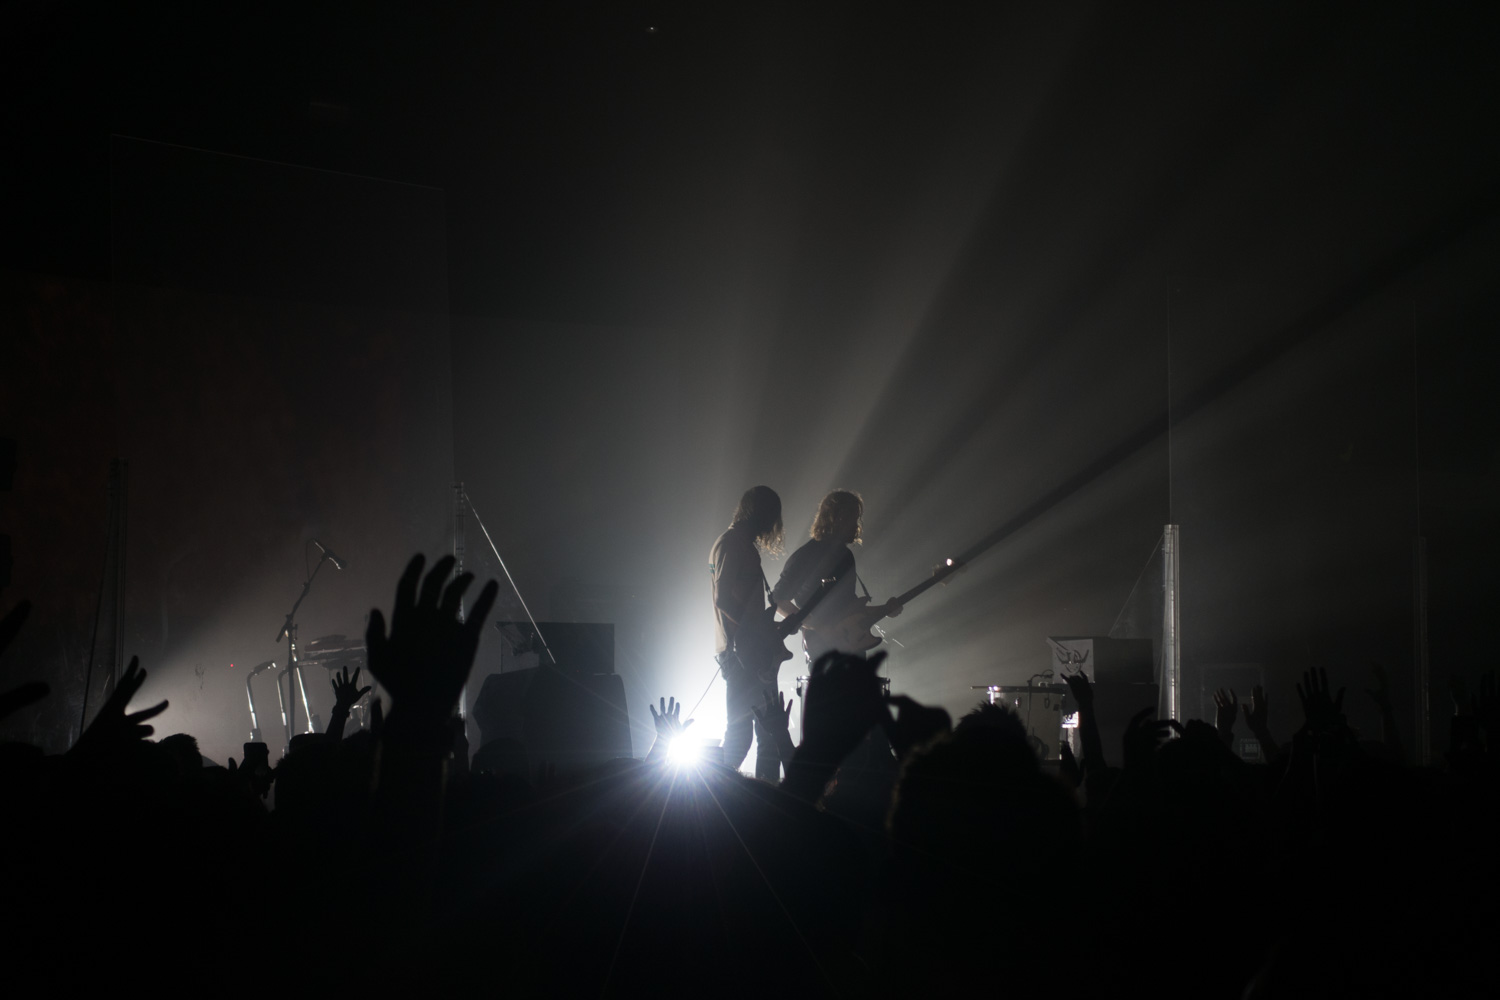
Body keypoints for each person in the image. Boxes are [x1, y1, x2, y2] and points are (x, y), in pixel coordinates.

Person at [773, 489, 902, 665]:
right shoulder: (807, 555)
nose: (856, 526)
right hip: (823, 649)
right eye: (853, 518)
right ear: (837, 518)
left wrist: (886, 609)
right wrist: (819, 626)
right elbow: (779, 600)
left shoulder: (846, 557)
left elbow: (851, 608)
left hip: (853, 647)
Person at [710, 485, 785, 779]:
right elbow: (722, 598)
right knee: (751, 735)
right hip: (744, 653)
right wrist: (752, 633)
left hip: (745, 650)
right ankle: (719, 798)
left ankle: (754, 802)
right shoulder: (734, 543)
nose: (772, 526)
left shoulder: (734, 542)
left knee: (764, 734)